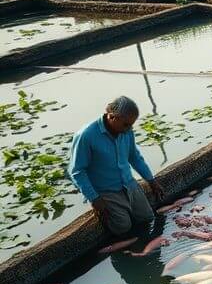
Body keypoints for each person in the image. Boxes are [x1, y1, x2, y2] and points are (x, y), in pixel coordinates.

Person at [68, 96, 163, 237]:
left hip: (129, 184)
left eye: (131, 125)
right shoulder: (86, 135)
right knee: (123, 227)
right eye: (126, 125)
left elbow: (135, 157)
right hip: (105, 191)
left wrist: (151, 180)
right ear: (112, 117)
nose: (129, 129)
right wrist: (94, 199)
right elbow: (77, 171)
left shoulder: (126, 131)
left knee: (147, 217)